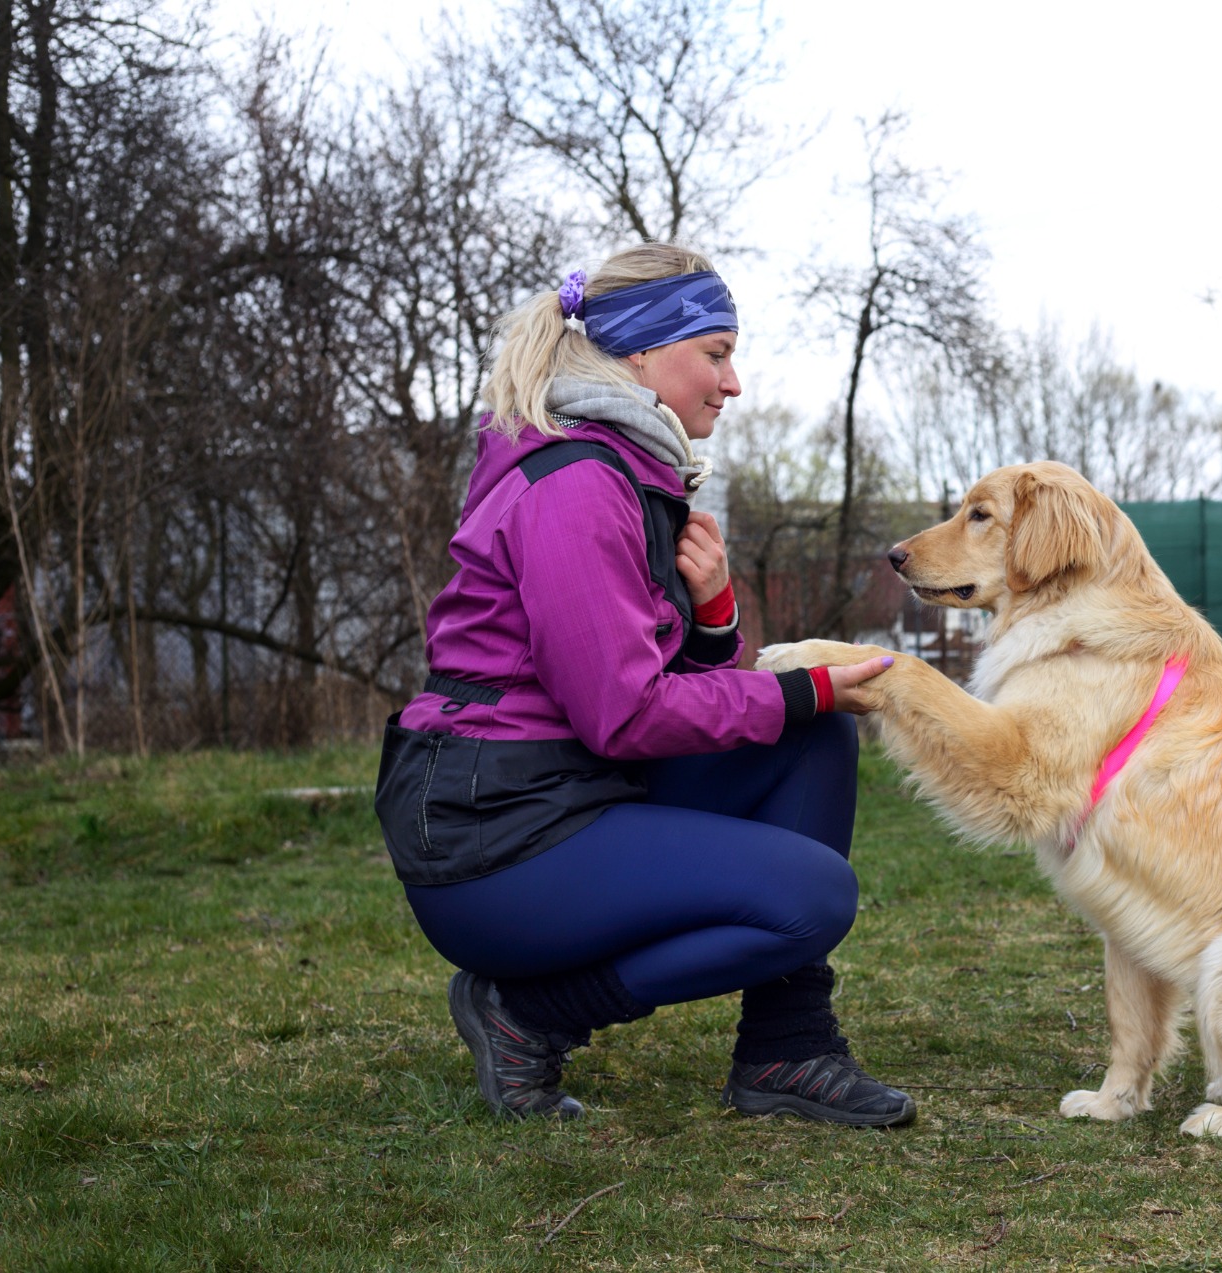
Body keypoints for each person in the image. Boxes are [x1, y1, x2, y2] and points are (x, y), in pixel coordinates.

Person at [372, 243, 912, 1127]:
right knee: (813, 893)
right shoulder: (578, 483)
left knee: (811, 738)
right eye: (717, 352)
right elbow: (625, 713)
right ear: (640, 354)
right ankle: (527, 1015)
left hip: (571, 789)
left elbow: (657, 694)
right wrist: (801, 687)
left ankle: (789, 1046)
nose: (732, 382)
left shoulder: (628, 472)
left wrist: (713, 617)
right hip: (493, 839)